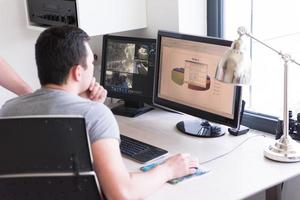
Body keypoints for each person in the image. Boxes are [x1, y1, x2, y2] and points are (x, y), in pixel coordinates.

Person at [0, 26, 199, 200]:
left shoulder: (8, 110)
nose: (93, 69)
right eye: (91, 64)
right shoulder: (96, 115)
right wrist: (169, 169)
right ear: (78, 72)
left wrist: (83, 103)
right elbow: (122, 193)